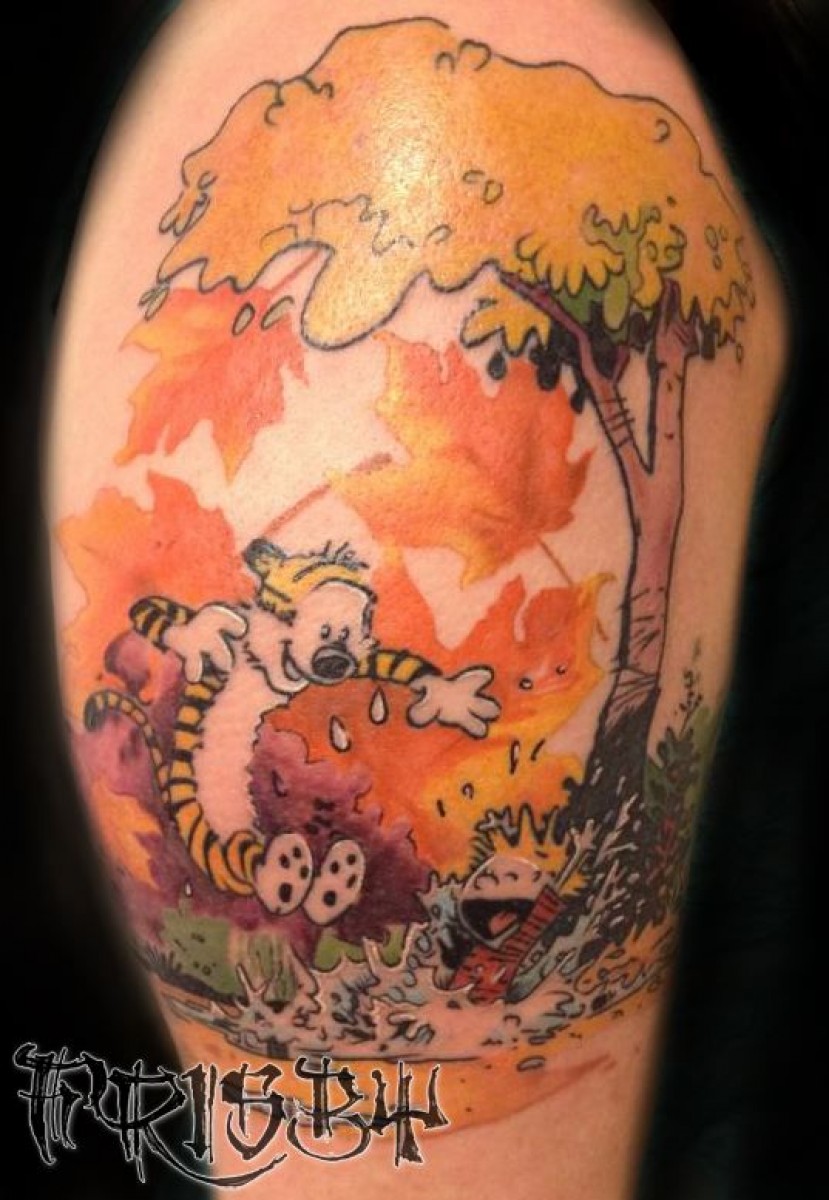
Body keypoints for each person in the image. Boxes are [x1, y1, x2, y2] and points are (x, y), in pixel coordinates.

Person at [17, 0, 817, 1196]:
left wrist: (434, 693)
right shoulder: (434, 124)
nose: (340, 643)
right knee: (251, 852)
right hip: (215, 786)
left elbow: (378, 672)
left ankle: (286, 884)